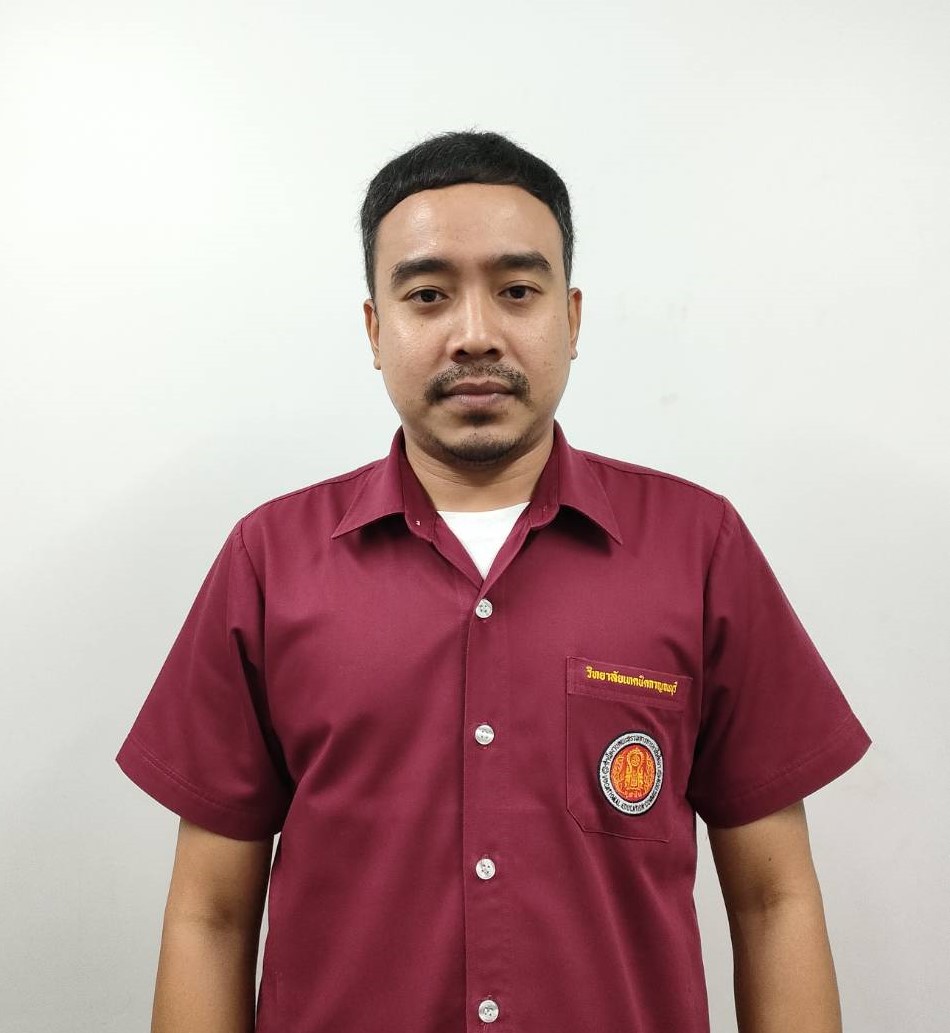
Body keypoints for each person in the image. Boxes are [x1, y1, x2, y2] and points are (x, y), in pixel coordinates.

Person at [116, 130, 871, 1033]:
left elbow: (774, 896)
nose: (475, 334)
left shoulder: (699, 549)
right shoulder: (269, 562)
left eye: (516, 291)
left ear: (572, 318)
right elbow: (210, 913)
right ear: (375, 329)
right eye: (428, 295)